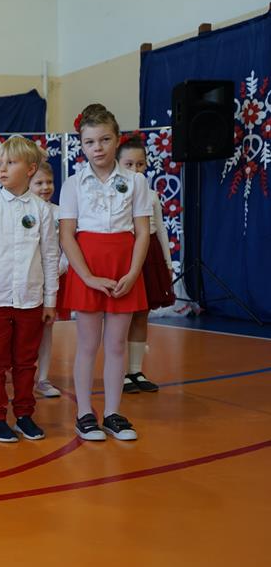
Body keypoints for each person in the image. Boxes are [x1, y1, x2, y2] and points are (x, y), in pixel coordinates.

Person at [59, 104, 152, 441]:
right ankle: (84, 413)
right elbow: (67, 235)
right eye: (89, 142)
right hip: (88, 266)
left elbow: (142, 232)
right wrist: (86, 277)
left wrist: (133, 272)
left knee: (116, 345)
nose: (97, 148)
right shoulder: (73, 183)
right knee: (88, 344)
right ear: (81, 145)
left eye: (104, 140)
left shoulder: (136, 181)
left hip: (123, 267)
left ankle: (113, 412)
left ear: (117, 139)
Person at [0, 136, 59, 443]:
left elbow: (50, 256)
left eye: (10, 163)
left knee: (26, 362)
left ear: (30, 169)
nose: (2, 169)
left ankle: (24, 415)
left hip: (30, 300)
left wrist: (49, 301)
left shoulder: (42, 210)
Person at [117, 133, 174, 393]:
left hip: (149, 256)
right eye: (129, 164)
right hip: (126, 254)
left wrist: (167, 263)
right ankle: (119, 372)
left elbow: (160, 230)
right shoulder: (115, 194)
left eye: (140, 164)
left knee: (142, 314)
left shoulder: (151, 195)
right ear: (118, 165)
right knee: (122, 317)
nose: (135, 169)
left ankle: (135, 370)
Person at [29, 162, 68, 399]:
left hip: (50, 282)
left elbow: (67, 247)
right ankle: (22, 374)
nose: (45, 187)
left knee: (46, 330)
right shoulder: (24, 212)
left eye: (49, 182)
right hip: (26, 282)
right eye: (39, 183)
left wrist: (55, 270)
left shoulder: (60, 213)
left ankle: (42, 378)